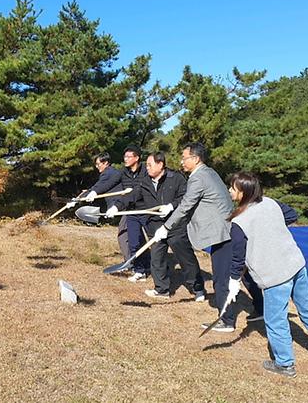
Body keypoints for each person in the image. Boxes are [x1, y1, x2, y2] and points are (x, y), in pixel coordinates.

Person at [226, 171, 308, 378]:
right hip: (295, 264)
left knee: (275, 319)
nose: (229, 191)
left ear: (243, 191)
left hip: (274, 275)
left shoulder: (239, 222)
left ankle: (285, 364)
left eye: (232, 187)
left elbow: (238, 258)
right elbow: (292, 214)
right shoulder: (270, 203)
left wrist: (233, 280)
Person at [154, 142, 260, 332]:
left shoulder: (199, 177)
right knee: (243, 272)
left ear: (195, 159)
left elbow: (186, 205)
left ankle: (227, 320)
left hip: (222, 233)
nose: (181, 161)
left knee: (221, 278)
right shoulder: (209, 172)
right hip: (227, 230)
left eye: (184, 158)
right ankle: (261, 308)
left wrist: (166, 227)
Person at [108, 152, 206, 299]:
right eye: (146, 165)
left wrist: (171, 206)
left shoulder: (176, 178)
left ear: (160, 165)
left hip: (175, 225)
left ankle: (198, 289)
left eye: (149, 164)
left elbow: (186, 198)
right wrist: (116, 206)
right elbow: (132, 195)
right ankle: (162, 289)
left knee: (186, 259)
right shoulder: (144, 181)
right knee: (157, 258)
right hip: (156, 226)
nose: (146, 168)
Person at [115, 146, 151, 282]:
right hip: (131, 211)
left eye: (128, 157)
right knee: (134, 242)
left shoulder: (146, 171)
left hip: (146, 211)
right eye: (124, 157)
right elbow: (110, 182)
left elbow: (141, 190)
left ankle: (157, 267)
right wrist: (92, 192)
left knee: (155, 241)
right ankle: (139, 270)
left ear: (136, 158)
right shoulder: (123, 173)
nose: (125, 159)